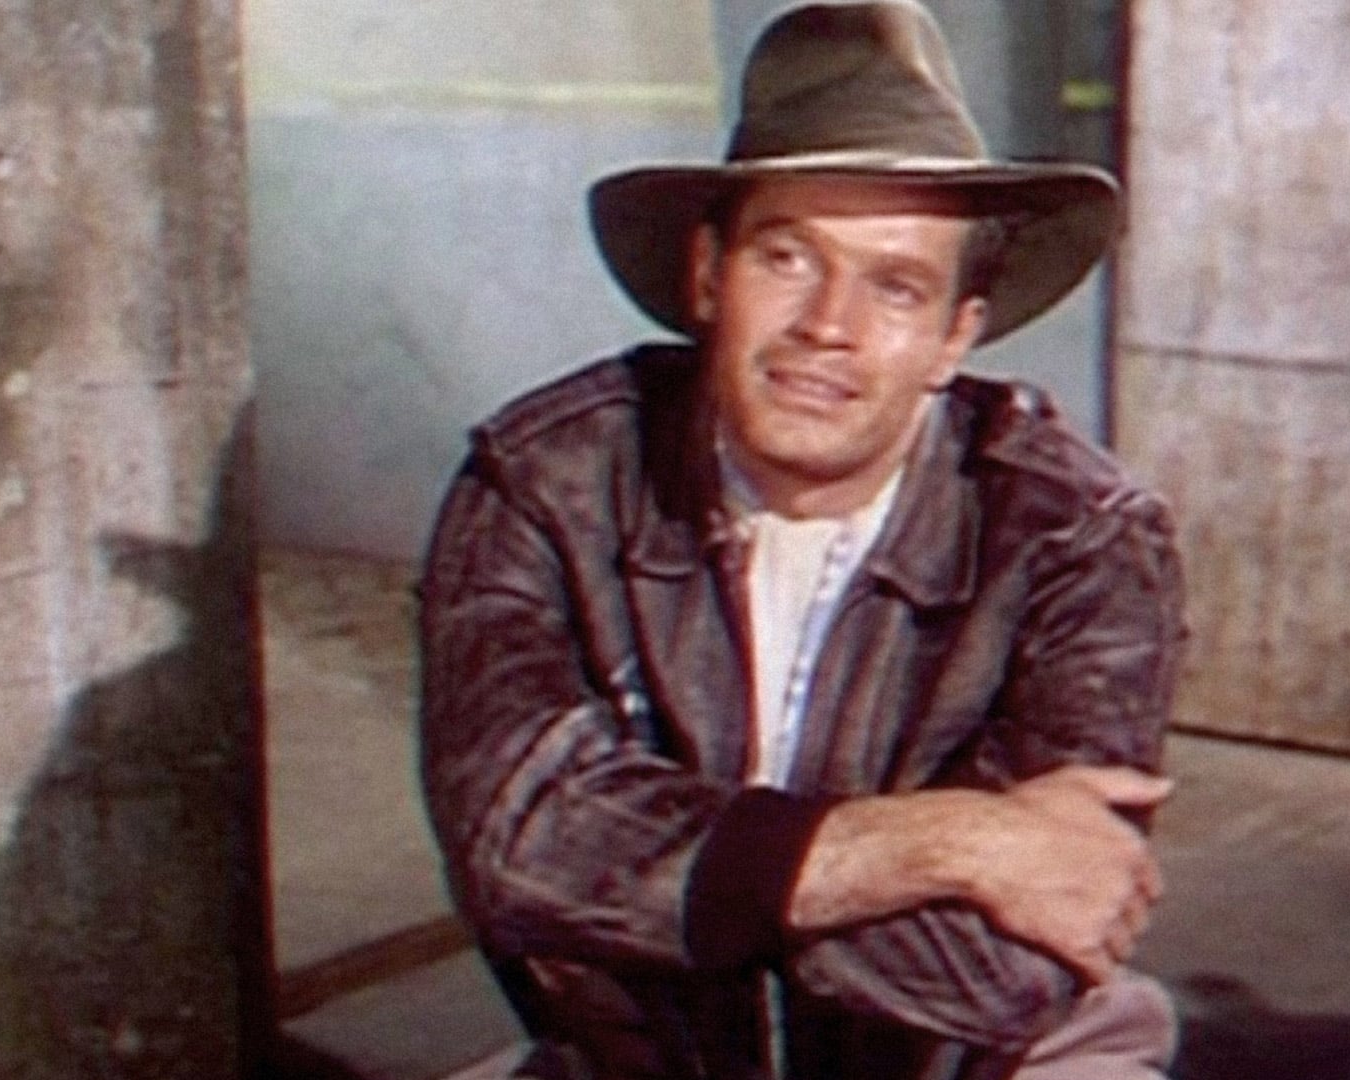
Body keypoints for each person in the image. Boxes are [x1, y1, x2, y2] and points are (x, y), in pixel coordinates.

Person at [417, 3, 1187, 1077]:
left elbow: (1006, 967)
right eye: (786, 258)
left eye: (896, 286)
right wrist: (950, 842)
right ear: (707, 275)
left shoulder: (1080, 536)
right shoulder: (543, 482)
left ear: (955, 337)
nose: (829, 324)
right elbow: (511, 849)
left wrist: (655, 887)